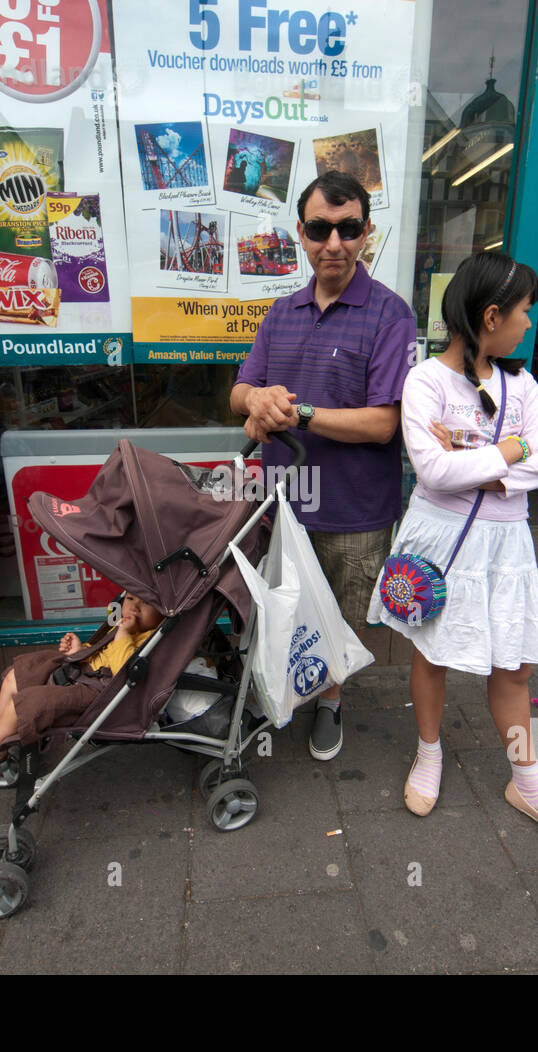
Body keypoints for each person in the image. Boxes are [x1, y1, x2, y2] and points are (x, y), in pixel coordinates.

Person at [367, 252, 538, 846]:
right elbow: (434, 472)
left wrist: (478, 460)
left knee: (514, 666)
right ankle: (429, 753)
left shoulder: (522, 383)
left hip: (505, 545)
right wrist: (505, 453)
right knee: (431, 654)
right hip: (441, 540)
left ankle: (528, 782)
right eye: (523, 312)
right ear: (491, 315)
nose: (528, 323)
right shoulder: (424, 381)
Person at [230, 170, 415, 761]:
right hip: (280, 500)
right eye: (319, 229)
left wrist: (298, 412)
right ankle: (276, 686)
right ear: (301, 235)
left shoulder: (392, 315)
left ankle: (330, 698)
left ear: (366, 233)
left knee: (339, 612)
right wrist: (256, 400)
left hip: (355, 509)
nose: (333, 243)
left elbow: (384, 423)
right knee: (277, 602)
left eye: (348, 229)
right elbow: (239, 391)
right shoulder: (280, 313)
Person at [0, 593, 163, 792]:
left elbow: (125, 671)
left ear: (163, 614)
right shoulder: (121, 625)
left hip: (99, 693)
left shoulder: (150, 639)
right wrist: (81, 650)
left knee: (25, 704)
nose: (133, 608)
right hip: (82, 671)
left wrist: (123, 634)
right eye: (130, 598)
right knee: (18, 675)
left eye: (146, 604)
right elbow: (103, 652)